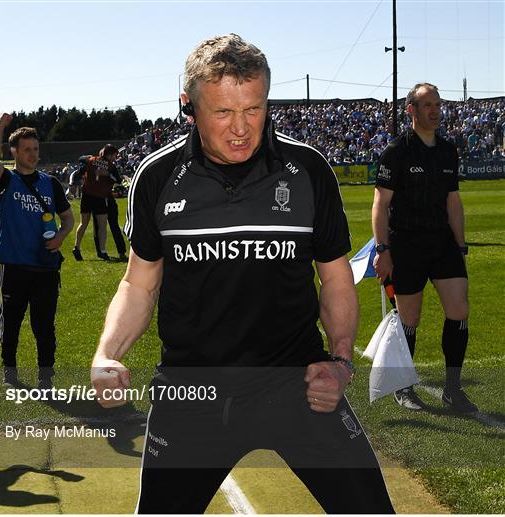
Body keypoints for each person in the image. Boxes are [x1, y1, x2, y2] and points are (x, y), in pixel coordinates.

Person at [91, 34, 394, 514]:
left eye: (253, 109)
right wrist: (107, 353)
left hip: (296, 383)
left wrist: (339, 363)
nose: (241, 129)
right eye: (223, 113)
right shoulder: (156, 177)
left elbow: (336, 279)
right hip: (192, 392)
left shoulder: (308, 171)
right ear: (188, 105)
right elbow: (139, 283)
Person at [372, 83, 478, 413]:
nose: (435, 110)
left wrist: (460, 246)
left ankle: (452, 389)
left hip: (443, 243)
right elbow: (380, 203)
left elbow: (453, 201)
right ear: (411, 110)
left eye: (438, 104)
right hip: (406, 243)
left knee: (459, 310)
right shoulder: (397, 151)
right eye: (427, 104)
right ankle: (404, 388)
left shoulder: (448, 150)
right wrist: (382, 249)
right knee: (410, 318)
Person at [0, 113, 74, 388]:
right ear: (14, 152)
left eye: (36, 149)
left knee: (44, 326)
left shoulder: (50, 183)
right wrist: (0, 126)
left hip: (45, 266)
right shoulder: (5, 180)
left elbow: (68, 218)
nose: (33, 154)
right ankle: (9, 374)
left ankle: (46, 379)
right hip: (14, 265)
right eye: (27, 149)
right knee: (10, 323)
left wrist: (61, 236)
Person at [72, 145, 118, 261]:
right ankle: (103, 251)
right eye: (115, 155)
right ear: (111, 154)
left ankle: (76, 247)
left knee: (83, 223)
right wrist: (107, 174)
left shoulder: (91, 160)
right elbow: (118, 179)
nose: (115, 158)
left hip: (86, 195)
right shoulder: (111, 166)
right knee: (102, 225)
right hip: (99, 197)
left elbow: (80, 160)